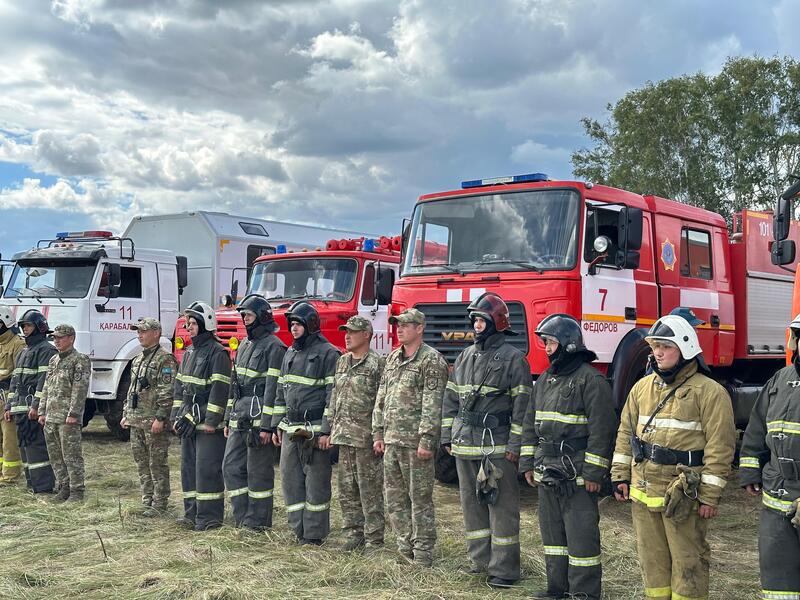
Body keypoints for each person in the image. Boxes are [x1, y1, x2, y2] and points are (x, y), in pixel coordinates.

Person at [611, 315, 736, 600]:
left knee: (688, 562)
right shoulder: (641, 388)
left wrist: (709, 496)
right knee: (652, 563)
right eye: (655, 346)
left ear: (686, 348)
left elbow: (720, 448)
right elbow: (625, 433)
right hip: (643, 493)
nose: (658, 352)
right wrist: (619, 475)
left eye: (666, 346)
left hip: (682, 496)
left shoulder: (710, 393)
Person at [520, 314, 616, 600]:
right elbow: (530, 424)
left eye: (550, 342)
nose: (547, 348)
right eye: (545, 343)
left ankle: (584, 592)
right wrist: (528, 463)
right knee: (553, 537)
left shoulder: (592, 381)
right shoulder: (545, 380)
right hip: (547, 472)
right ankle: (557, 588)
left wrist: (594, 473)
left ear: (568, 344)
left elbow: (603, 431)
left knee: (581, 537)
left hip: (577, 476)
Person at [441, 293, 532, 588]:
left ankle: (504, 570)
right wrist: (447, 436)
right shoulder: (464, 357)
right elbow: (450, 401)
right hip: (464, 445)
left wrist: (516, 447)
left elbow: (523, 409)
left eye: (482, 320)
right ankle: (480, 563)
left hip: (497, 447)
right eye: (475, 320)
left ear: (496, 323)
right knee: (472, 507)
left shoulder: (514, 359)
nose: (477, 325)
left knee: (502, 510)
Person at [372, 308, 448, 567]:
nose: (400, 329)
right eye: (398, 325)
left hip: (415, 444)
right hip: (392, 440)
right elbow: (382, 397)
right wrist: (378, 432)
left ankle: (423, 552)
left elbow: (433, 403)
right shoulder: (393, 358)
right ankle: (405, 548)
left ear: (420, 328)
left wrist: (427, 439)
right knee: (395, 499)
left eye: (405, 325)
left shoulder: (431, 360)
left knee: (420, 499)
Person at [739, 313, 800, 600]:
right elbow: (756, 428)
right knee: (779, 583)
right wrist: (750, 470)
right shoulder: (779, 381)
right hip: (777, 499)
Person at [270, 301, 339, 544]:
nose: (294, 328)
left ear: (310, 324)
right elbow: (281, 391)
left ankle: (314, 535)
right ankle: (298, 530)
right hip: (291, 429)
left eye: (298, 324)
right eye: (291, 324)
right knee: (290, 481)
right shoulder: (290, 352)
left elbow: (333, 395)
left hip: (314, 432)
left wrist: (327, 431)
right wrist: (277, 424)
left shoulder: (329, 353)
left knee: (316, 484)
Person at [223, 294, 286, 531]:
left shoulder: (275, 347)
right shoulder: (244, 345)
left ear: (261, 316)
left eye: (248, 315)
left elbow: (273, 389)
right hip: (239, 417)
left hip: (259, 420)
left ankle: (258, 521)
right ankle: (242, 517)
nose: (245, 319)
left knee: (258, 472)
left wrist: (267, 425)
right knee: (231, 466)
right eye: (243, 315)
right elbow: (235, 384)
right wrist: (228, 417)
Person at [171, 301, 231, 531]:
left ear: (206, 324)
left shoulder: (218, 353)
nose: (189, 327)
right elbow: (180, 388)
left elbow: (220, 390)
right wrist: (177, 417)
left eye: (193, 323)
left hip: (207, 426)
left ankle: (209, 519)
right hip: (188, 423)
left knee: (207, 472)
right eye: (188, 323)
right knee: (188, 471)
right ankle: (191, 514)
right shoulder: (189, 352)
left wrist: (211, 421)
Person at [329, 316, 386, 552]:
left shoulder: (377, 364)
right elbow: (335, 395)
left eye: (352, 332)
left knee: (369, 492)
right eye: (346, 331)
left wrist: (378, 434)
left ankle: (374, 540)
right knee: (347, 490)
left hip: (365, 439)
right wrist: (330, 426)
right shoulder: (342, 362)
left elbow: (381, 402)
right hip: (344, 436)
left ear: (366, 335)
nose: (347, 336)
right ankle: (353, 535)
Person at [121, 317, 178, 516]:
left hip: (153, 421)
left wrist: (161, 418)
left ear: (156, 333)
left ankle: (160, 502)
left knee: (157, 463)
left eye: (143, 331)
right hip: (136, 419)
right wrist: (126, 413)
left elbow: (167, 391)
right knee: (141, 462)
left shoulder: (165, 359)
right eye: (138, 331)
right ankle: (147, 499)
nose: (140, 335)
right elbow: (132, 389)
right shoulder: (138, 359)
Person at [4, 309, 56, 493]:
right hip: (19, 409)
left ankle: (43, 488)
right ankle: (31, 485)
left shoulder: (46, 350)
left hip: (33, 410)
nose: (25, 329)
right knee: (25, 448)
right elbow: (15, 382)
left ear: (40, 327)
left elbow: (44, 382)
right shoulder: (24, 351)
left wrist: (36, 406)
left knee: (37, 450)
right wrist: (9, 406)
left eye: (28, 325)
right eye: (23, 326)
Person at [38, 324, 90, 503]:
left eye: (60, 337)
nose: (56, 341)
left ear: (71, 338)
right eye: (55, 337)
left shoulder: (79, 360)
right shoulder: (54, 360)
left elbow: (80, 389)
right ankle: (64, 487)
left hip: (67, 418)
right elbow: (47, 386)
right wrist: (42, 410)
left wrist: (74, 413)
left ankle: (77, 491)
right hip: (51, 416)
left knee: (71, 455)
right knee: (55, 455)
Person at [0, 305, 25, 485]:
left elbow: (19, 376)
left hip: (7, 396)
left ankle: (10, 476)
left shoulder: (18, 344)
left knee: (9, 439)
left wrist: (13, 402)